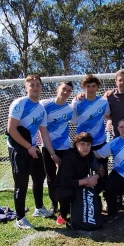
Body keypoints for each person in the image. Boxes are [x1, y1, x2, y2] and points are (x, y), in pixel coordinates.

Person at [7, 74, 61, 230]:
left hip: (32, 147)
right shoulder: (19, 104)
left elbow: (44, 134)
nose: (35, 87)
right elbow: (11, 130)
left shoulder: (41, 109)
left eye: (38, 85)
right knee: (21, 184)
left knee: (39, 177)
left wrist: (52, 154)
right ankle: (20, 218)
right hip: (18, 148)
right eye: (32, 85)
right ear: (26, 87)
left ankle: (38, 208)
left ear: (41, 87)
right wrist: (28, 147)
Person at [40, 81, 75, 223]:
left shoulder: (70, 109)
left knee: (64, 177)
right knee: (51, 177)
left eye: (69, 91)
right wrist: (51, 153)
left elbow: (78, 120)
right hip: (48, 148)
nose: (66, 92)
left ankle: (65, 205)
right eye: (64, 89)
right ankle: (54, 204)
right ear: (57, 89)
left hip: (65, 148)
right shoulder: (44, 105)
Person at [54, 132, 105, 227]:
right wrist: (87, 181)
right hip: (62, 187)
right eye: (82, 144)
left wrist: (95, 176)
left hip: (81, 183)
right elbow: (66, 183)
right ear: (76, 144)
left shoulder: (90, 156)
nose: (86, 147)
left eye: (88, 145)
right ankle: (63, 213)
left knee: (104, 181)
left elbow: (101, 170)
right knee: (67, 193)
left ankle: (91, 207)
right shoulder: (68, 158)